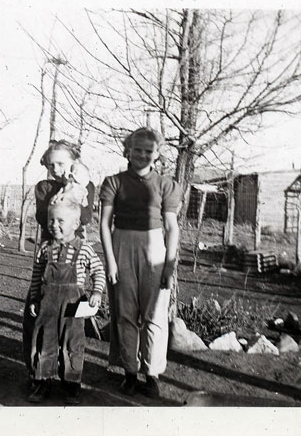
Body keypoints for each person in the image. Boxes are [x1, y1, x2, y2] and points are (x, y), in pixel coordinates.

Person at [99, 127, 182, 398]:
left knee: (154, 315)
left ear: (157, 154)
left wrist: (169, 266)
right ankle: (130, 372)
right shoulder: (114, 182)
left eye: (149, 151)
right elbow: (104, 224)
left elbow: (172, 228)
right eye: (137, 150)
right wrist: (110, 261)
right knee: (124, 313)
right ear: (128, 150)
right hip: (122, 245)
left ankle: (152, 374)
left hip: (155, 248)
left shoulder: (166, 185)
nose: (142, 155)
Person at [23, 140, 95, 390]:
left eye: (62, 163)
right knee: (39, 321)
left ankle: (71, 378)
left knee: (74, 327)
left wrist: (77, 186)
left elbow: (85, 217)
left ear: (74, 162)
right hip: (49, 255)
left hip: (76, 257)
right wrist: (68, 189)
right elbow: (45, 216)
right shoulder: (43, 187)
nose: (56, 168)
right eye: (51, 164)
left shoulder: (87, 186)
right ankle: (39, 376)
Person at [26, 200, 106, 404]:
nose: (54, 224)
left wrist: (97, 292)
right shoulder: (45, 248)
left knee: (73, 344)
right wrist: (34, 298)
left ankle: (71, 384)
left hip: (73, 306)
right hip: (47, 305)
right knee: (45, 342)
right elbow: (36, 275)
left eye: (60, 220)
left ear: (76, 223)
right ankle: (42, 382)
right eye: (51, 220)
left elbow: (98, 271)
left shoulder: (85, 249)